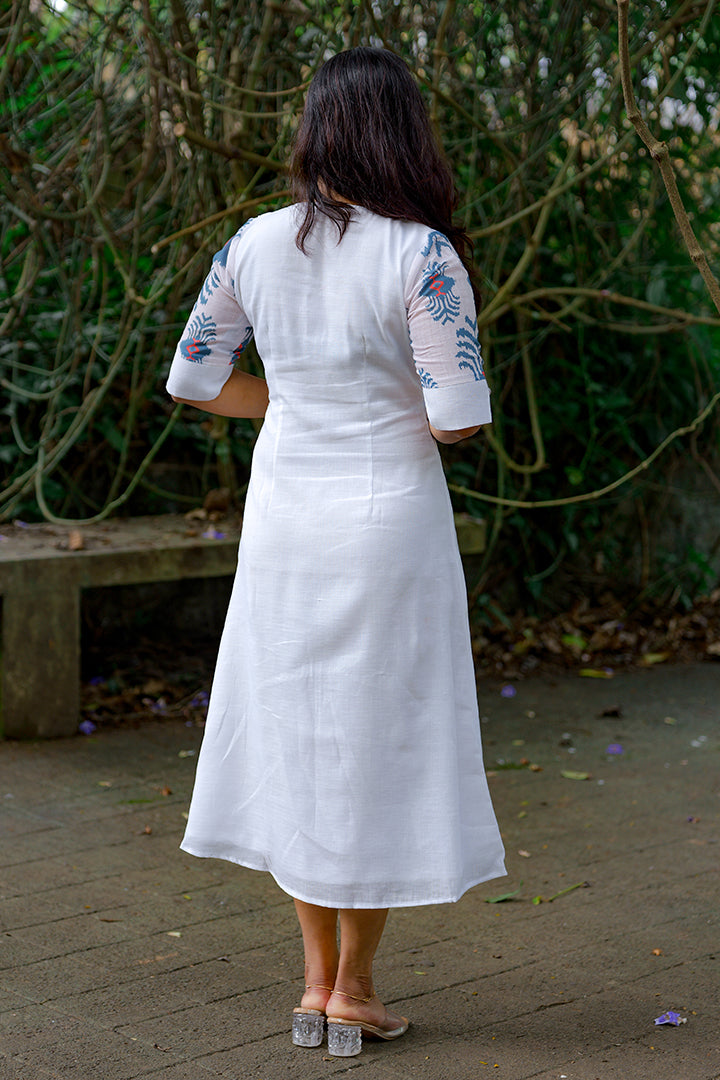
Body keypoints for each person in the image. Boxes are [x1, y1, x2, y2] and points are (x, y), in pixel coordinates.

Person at [166, 46, 506, 1058]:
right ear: (404, 135)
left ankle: (315, 985)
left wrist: (289, 399)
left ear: (316, 132)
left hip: (285, 525)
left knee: (302, 735)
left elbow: (194, 379)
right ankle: (354, 988)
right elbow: (457, 418)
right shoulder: (423, 255)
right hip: (386, 524)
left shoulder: (254, 244)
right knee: (377, 739)